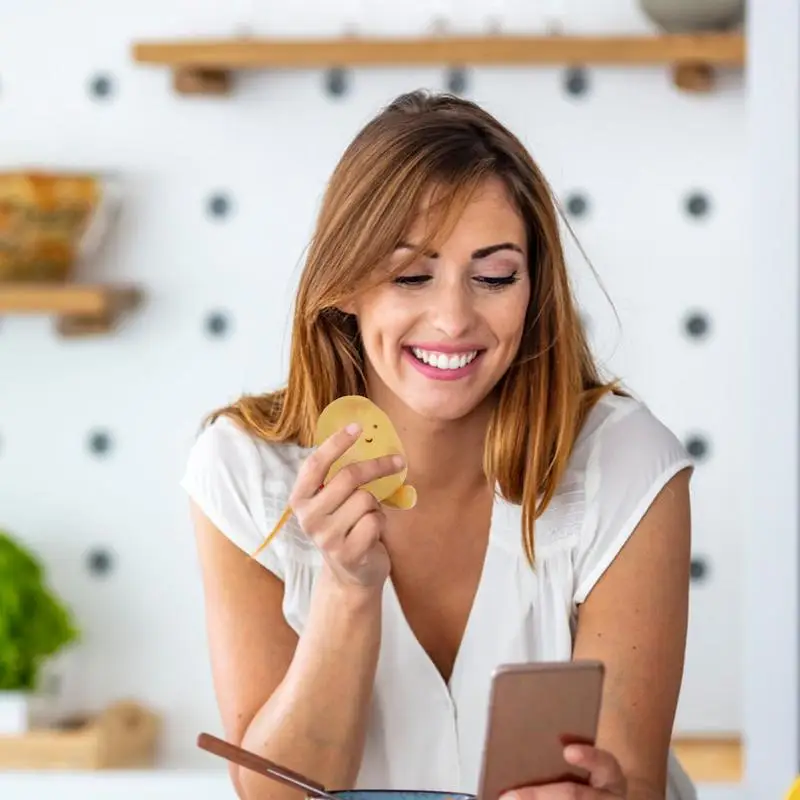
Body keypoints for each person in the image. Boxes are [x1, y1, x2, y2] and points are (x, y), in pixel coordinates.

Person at [181, 90, 697, 800]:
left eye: (493, 276)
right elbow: (277, 793)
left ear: (534, 288)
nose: (453, 318)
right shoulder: (242, 469)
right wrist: (347, 588)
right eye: (410, 275)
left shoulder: (626, 464)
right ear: (344, 287)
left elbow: (630, 779)